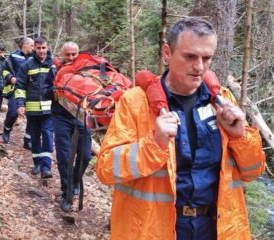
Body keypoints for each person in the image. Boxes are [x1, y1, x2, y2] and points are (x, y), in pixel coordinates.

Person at [96, 17, 265, 239]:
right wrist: (153, 145)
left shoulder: (222, 100)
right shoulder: (135, 102)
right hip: (155, 229)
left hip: (217, 229)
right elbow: (106, 170)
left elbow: (253, 172)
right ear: (167, 52)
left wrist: (240, 136)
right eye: (190, 56)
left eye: (207, 58)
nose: (199, 67)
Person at [50, 42, 92, 212]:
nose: (71, 57)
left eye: (74, 54)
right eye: (68, 54)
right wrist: (56, 89)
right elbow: (43, 90)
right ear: (62, 54)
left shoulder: (85, 69)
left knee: (86, 155)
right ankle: (66, 193)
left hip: (82, 117)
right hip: (61, 117)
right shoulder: (54, 69)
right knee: (65, 157)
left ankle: (75, 182)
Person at [15, 36, 55, 178]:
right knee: (35, 137)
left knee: (48, 135)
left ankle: (46, 166)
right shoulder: (27, 65)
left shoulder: (54, 65)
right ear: (34, 48)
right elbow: (20, 86)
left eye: (44, 48)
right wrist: (20, 104)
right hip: (32, 109)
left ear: (47, 47)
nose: (41, 51)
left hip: (49, 109)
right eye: (38, 48)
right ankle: (37, 163)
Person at [1, 37, 34, 149]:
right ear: (25, 45)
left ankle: (28, 140)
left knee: (32, 116)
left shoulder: (35, 58)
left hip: (31, 90)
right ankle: (6, 130)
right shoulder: (13, 56)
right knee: (13, 112)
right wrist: (11, 78)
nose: (33, 48)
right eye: (32, 45)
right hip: (15, 89)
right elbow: (4, 70)